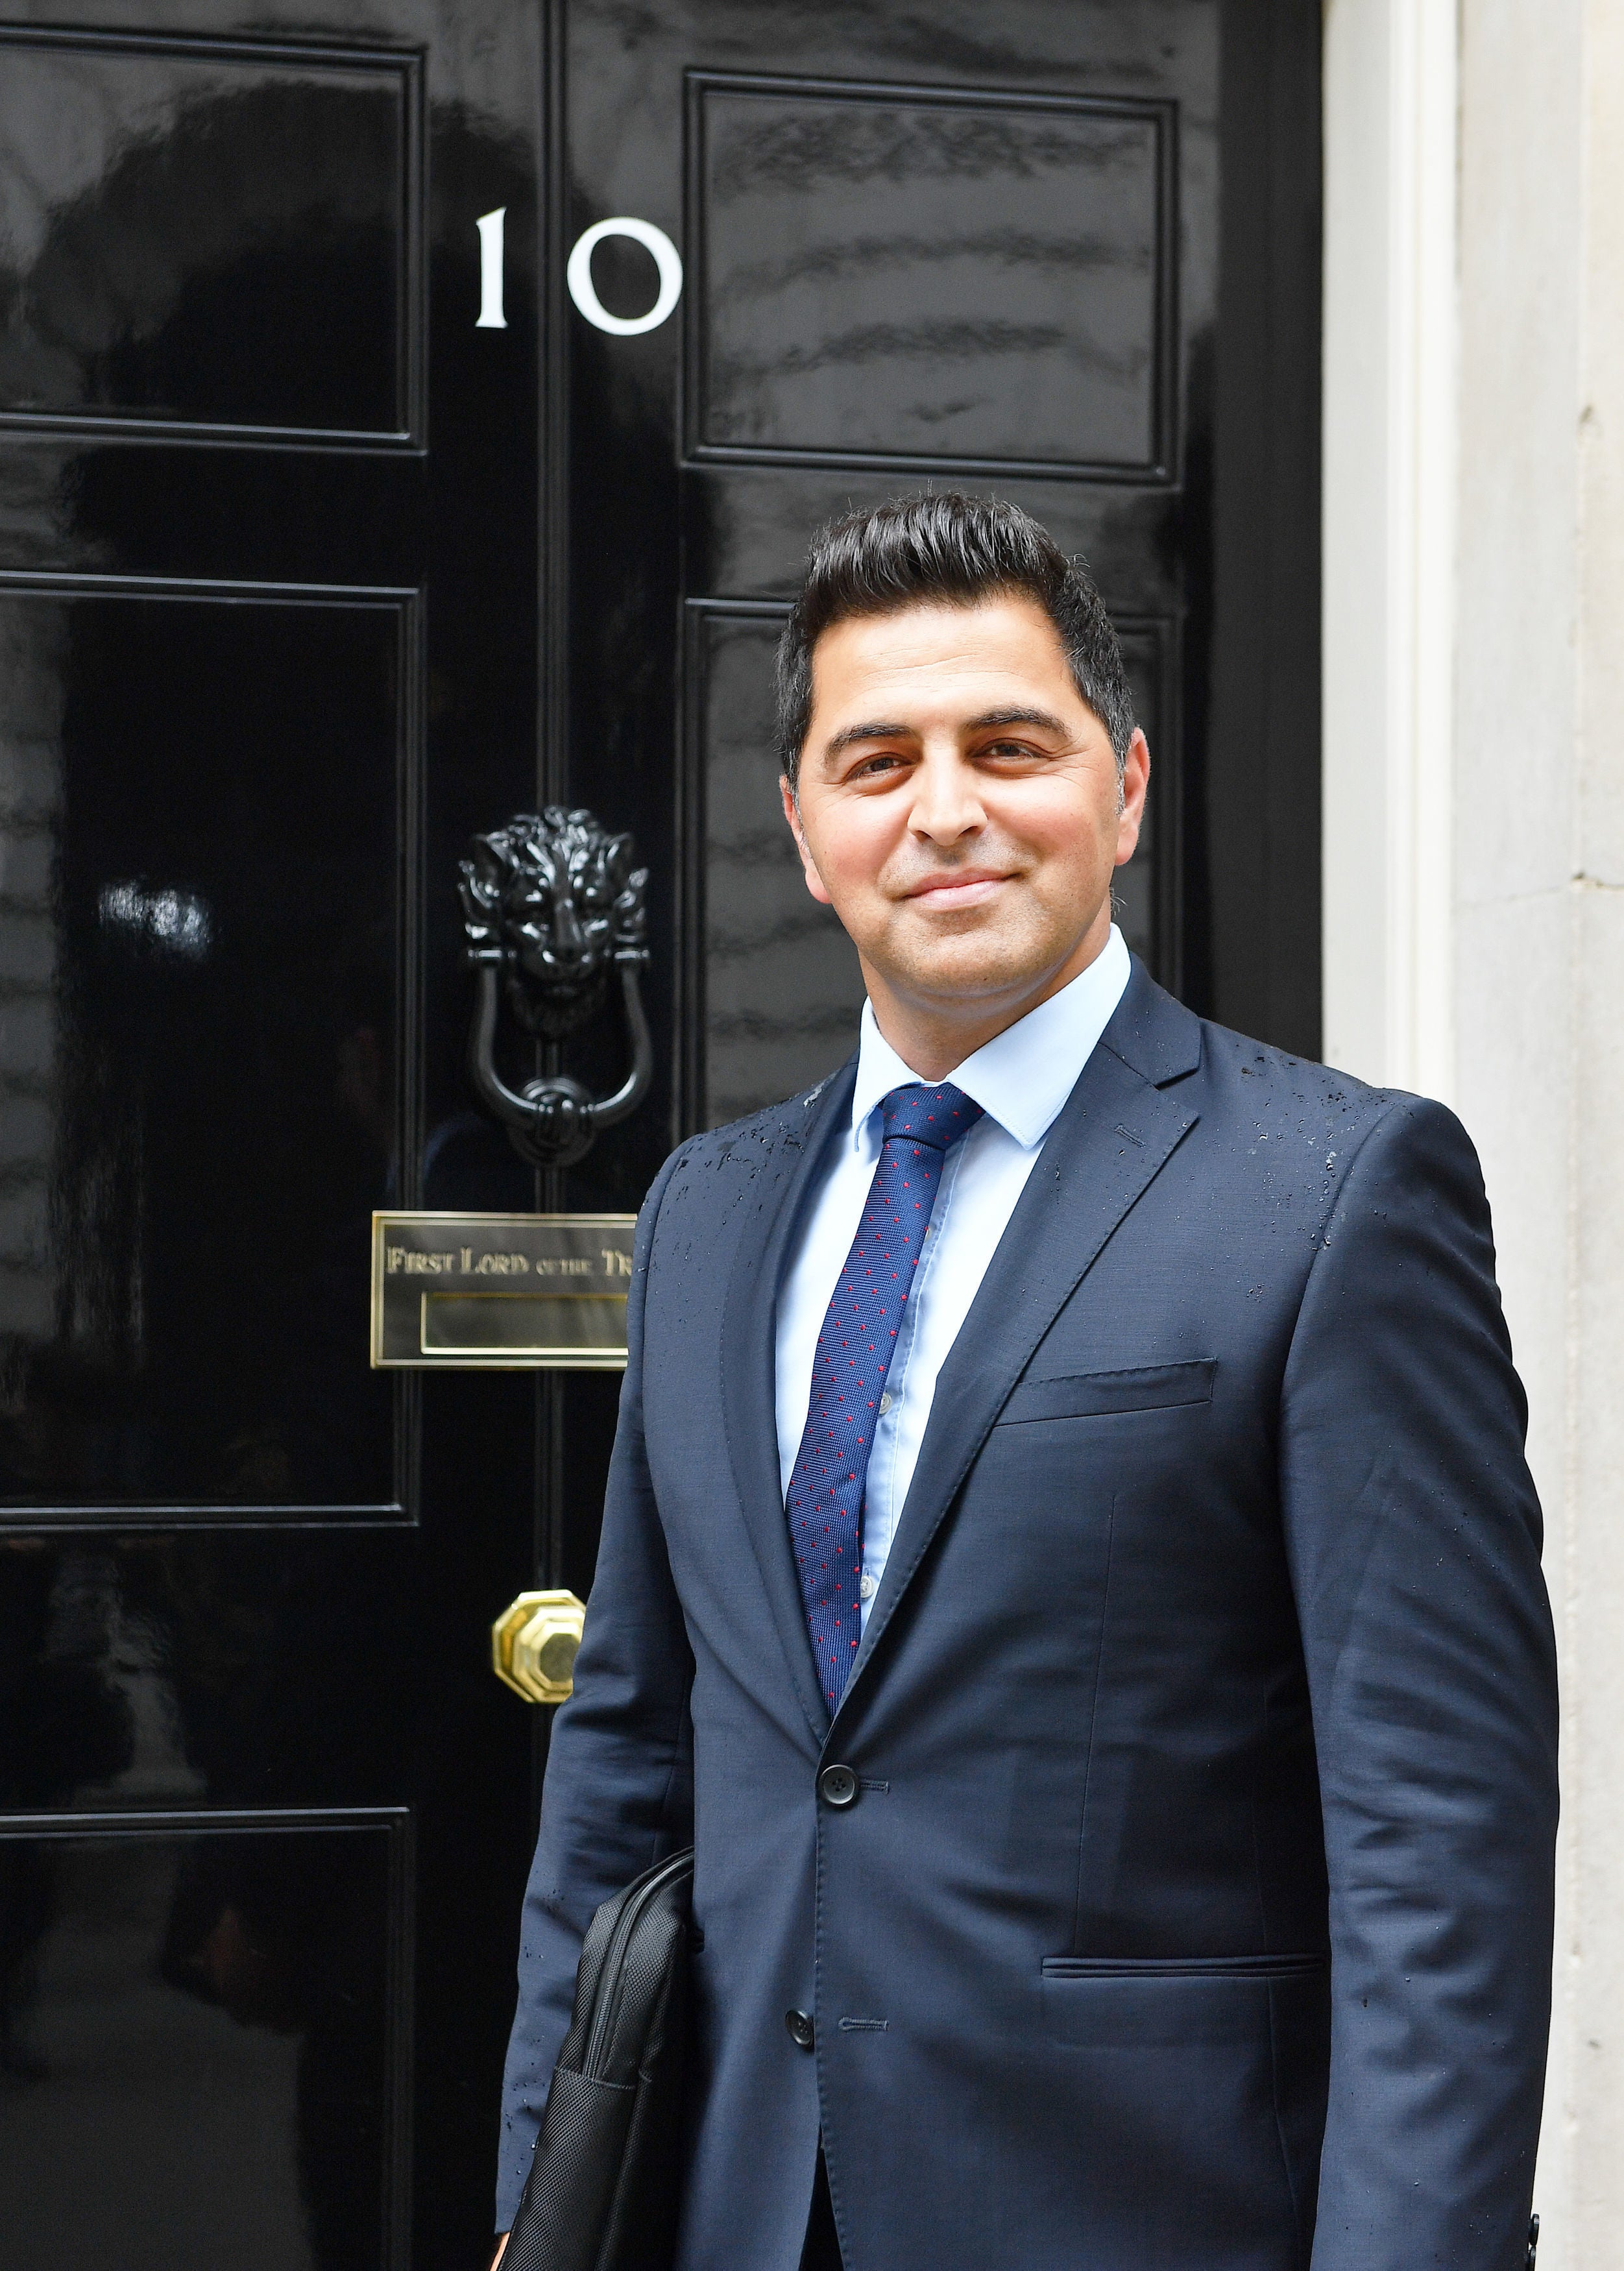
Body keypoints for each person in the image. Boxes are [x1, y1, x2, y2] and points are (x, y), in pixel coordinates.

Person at [493, 493, 1558, 2270]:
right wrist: (546, 2205)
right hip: (736, 2209)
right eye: (877, 758)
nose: (947, 809)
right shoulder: (705, 1214)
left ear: (1125, 786)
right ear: (804, 826)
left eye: (1010, 744)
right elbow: (618, 1781)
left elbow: (1434, 1841)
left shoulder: (1337, 1194)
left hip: (1148, 2213)